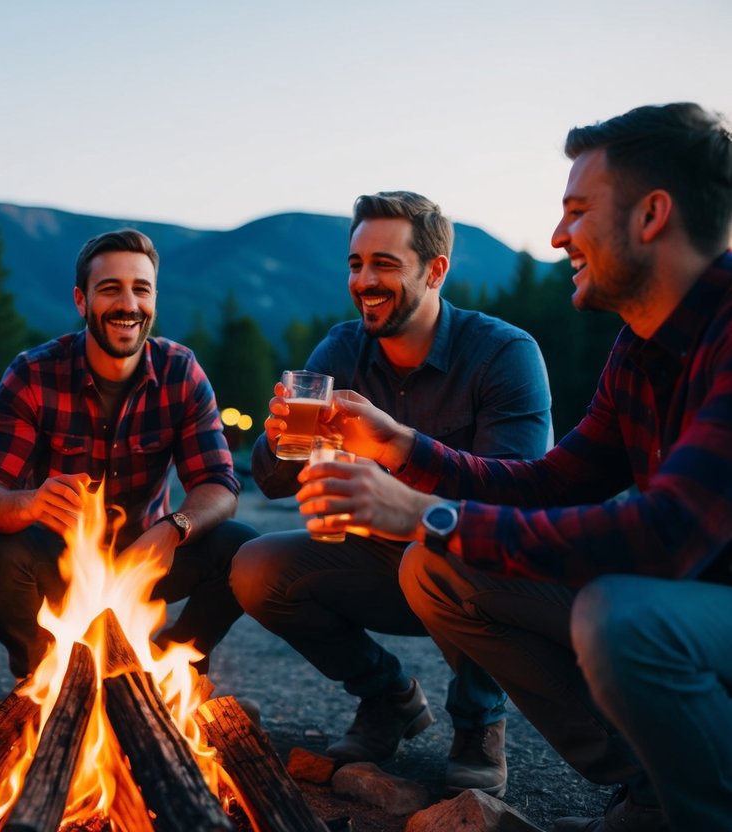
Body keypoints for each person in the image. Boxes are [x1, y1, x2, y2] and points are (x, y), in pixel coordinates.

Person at [297, 102, 732, 831]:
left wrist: (424, 512)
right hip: (694, 606)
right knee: (437, 569)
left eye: (577, 211)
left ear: (652, 215)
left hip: (698, 607)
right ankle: (650, 788)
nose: (558, 235)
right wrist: (403, 447)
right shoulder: (639, 346)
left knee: (624, 619)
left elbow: (663, 535)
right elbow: (552, 483)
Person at [232, 191, 551, 796]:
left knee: (446, 550)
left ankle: (479, 721)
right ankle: (389, 697)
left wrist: (401, 457)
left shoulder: (504, 354)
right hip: (377, 561)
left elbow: (516, 501)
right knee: (254, 567)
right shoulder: (341, 350)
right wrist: (279, 439)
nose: (364, 281)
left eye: (385, 263)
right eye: (356, 264)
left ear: (435, 270)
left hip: (467, 561)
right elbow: (271, 482)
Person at [0, 229, 257, 678]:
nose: (128, 304)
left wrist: (174, 528)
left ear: (154, 298)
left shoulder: (180, 371)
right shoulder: (33, 374)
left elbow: (219, 483)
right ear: (81, 301)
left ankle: (169, 668)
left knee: (241, 548)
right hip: (61, 560)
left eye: (141, 289)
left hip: (148, 554)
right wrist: (30, 503)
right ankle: (50, 674)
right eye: (110, 289)